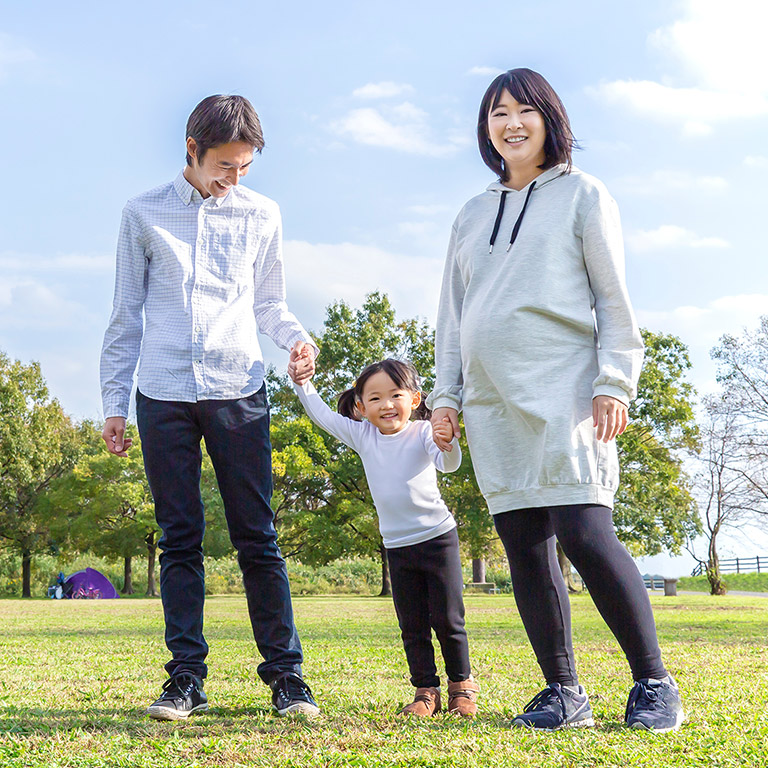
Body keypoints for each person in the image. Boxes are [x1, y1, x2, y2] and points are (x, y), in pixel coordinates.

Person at [428, 68, 684, 732]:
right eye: (496, 113)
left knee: (585, 531)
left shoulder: (583, 195)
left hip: (567, 388)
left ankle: (653, 682)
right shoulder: (471, 211)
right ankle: (563, 693)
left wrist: (613, 381)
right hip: (490, 403)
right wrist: (445, 396)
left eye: (522, 110)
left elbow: (612, 300)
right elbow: (452, 316)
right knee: (523, 543)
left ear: (549, 117)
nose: (509, 123)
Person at [100, 94, 320, 720]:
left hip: (238, 390)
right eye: (225, 165)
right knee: (179, 540)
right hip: (162, 392)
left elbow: (271, 304)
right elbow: (125, 314)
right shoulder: (142, 213)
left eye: (245, 167)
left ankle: (287, 677)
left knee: (259, 538)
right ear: (192, 150)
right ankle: (185, 680)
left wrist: (297, 341)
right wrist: (115, 401)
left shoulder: (262, 214)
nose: (234, 179)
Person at [288, 356, 480, 717]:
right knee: (412, 625)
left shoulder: (423, 432)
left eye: (395, 395)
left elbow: (448, 465)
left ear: (415, 399)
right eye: (374, 398)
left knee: (448, 619)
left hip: (438, 538)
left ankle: (461, 687)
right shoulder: (363, 436)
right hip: (397, 546)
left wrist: (447, 443)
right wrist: (303, 385)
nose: (386, 405)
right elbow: (324, 417)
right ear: (360, 407)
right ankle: (426, 691)